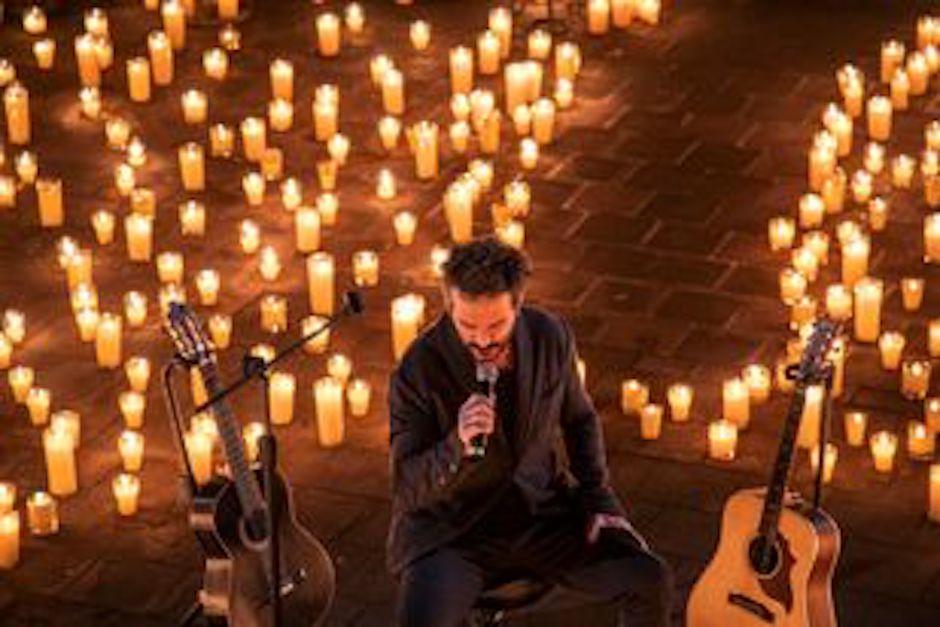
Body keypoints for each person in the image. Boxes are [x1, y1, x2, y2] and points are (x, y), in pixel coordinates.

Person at [387, 236, 673, 626]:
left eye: (497, 325)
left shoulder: (550, 336)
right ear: (449, 306)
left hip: (542, 518)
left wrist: (600, 500)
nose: (483, 340)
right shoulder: (417, 368)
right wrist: (456, 444)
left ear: (518, 307)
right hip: (454, 534)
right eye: (468, 326)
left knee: (649, 578)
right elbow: (407, 485)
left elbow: (580, 420)